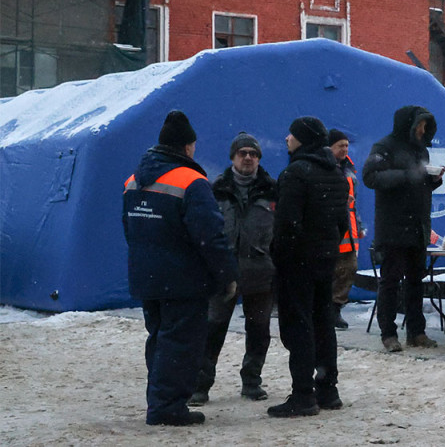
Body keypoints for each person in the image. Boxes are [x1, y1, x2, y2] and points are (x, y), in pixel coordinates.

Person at [122, 110, 236, 427]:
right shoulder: (191, 181)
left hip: (146, 277)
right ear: (187, 147)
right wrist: (227, 276)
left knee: (159, 339)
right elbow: (211, 236)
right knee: (181, 343)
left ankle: (159, 400)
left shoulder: (133, 180)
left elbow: (128, 228)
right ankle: (168, 407)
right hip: (183, 280)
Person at [268, 116, 350, 418]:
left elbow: (288, 223)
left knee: (298, 325)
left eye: (292, 135)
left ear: (302, 139)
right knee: (323, 322)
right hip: (325, 259)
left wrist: (282, 256)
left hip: (297, 263)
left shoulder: (296, 173)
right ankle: (327, 389)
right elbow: (342, 222)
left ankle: (302, 394)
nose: (287, 139)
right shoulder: (336, 173)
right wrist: (325, 247)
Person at [192, 132, 277, 406]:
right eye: (243, 153)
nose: (248, 158)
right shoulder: (215, 190)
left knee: (259, 330)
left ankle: (252, 382)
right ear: (233, 158)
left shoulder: (273, 190)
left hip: (261, 273)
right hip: (223, 274)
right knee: (212, 329)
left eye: (253, 153)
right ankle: (200, 386)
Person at [363, 105, 442, 353]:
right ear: (407, 124)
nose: (422, 130)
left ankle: (416, 332)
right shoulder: (384, 146)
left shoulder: (421, 151)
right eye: (419, 125)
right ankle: (389, 333)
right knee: (390, 282)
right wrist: (406, 175)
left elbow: (419, 184)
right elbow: (371, 177)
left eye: (425, 126)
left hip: (418, 226)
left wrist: (432, 181)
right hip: (393, 226)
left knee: (416, 282)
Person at [328, 128, 366, 330]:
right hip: (331, 227)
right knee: (330, 271)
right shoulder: (325, 167)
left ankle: (335, 310)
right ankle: (325, 310)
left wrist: (357, 225)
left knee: (349, 269)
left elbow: (354, 200)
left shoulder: (349, 168)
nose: (345, 149)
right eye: (340, 146)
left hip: (349, 228)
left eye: (346, 146)